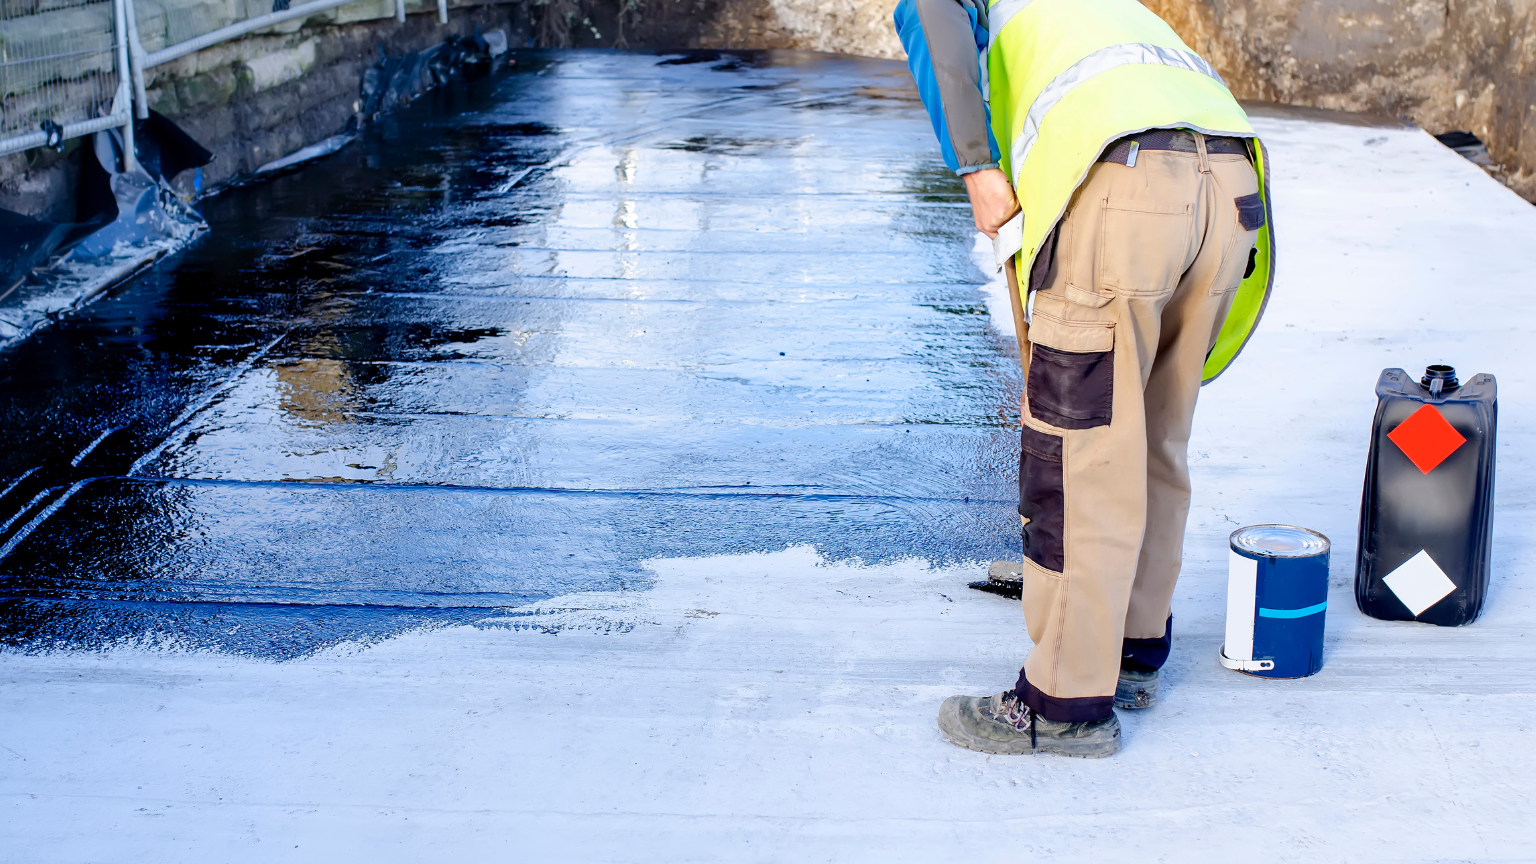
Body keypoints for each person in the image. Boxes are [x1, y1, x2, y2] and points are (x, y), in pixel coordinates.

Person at [894, 0, 1276, 757]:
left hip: (1128, 189)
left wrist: (977, 168)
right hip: (1231, 184)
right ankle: (1131, 648)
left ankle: (1064, 701)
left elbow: (932, 19)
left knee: (1078, 452)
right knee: (1154, 433)